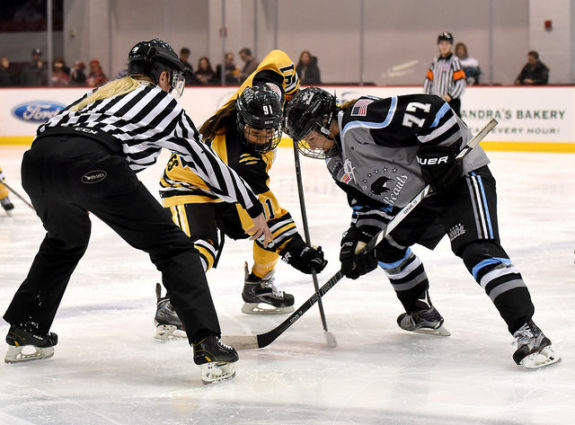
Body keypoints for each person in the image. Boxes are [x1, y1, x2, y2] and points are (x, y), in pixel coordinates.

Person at [2, 38, 273, 385]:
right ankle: (207, 344)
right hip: (92, 164)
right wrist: (249, 202)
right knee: (175, 248)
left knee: (65, 240)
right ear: (162, 77)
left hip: (37, 165)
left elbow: (52, 135)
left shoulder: (99, 93)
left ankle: (26, 329)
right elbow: (204, 162)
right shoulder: (161, 102)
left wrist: (71, 190)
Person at [284, 87, 560, 369]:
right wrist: (357, 241)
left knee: (477, 250)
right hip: (421, 198)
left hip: (459, 177)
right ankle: (422, 313)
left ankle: (529, 332)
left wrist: (439, 153)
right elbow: (368, 207)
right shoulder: (335, 162)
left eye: (310, 136)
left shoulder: (359, 120)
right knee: (386, 249)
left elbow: (433, 109)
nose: (311, 145)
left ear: (324, 121)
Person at [154, 50, 312, 339]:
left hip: (226, 190)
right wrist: (294, 248)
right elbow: (261, 202)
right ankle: (172, 301)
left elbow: (277, 59)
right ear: (241, 123)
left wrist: (287, 95)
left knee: (262, 227)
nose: (263, 138)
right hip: (188, 185)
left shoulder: (251, 97)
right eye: (255, 132)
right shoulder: (239, 157)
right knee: (206, 244)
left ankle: (259, 285)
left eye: (268, 131)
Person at [424, 32, 466, 115]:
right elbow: (428, 81)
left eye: (447, 44)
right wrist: (428, 97)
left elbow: (461, 82)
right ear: (438, 45)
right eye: (442, 43)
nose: (444, 46)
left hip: (452, 103)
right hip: (436, 104)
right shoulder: (435, 62)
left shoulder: (454, 61)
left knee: (454, 127)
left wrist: (450, 96)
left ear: (450, 45)